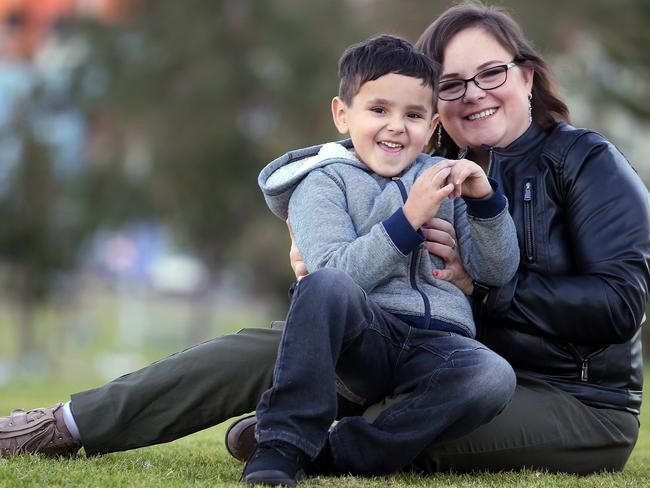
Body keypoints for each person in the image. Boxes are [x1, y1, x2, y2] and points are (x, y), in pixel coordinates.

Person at [1, 0, 649, 477]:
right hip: (422, 355)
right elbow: (351, 148)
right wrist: (314, 231)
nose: (473, 94)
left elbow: (622, 307)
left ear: (527, 78)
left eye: (491, 74)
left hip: (570, 399)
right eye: (450, 84)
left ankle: (306, 440)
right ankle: (59, 425)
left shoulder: (586, 162)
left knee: (433, 419)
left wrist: (486, 289)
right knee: (272, 348)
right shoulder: (428, 159)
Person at [243, 34, 519, 486]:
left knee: (492, 374)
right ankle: (279, 448)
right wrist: (409, 218)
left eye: (412, 115)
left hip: (437, 346)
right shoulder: (322, 183)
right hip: (364, 337)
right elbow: (338, 273)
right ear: (342, 115)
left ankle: (334, 454)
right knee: (324, 285)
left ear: (432, 129)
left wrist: (485, 202)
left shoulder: (444, 181)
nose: (395, 126)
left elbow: (497, 271)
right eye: (378, 110)